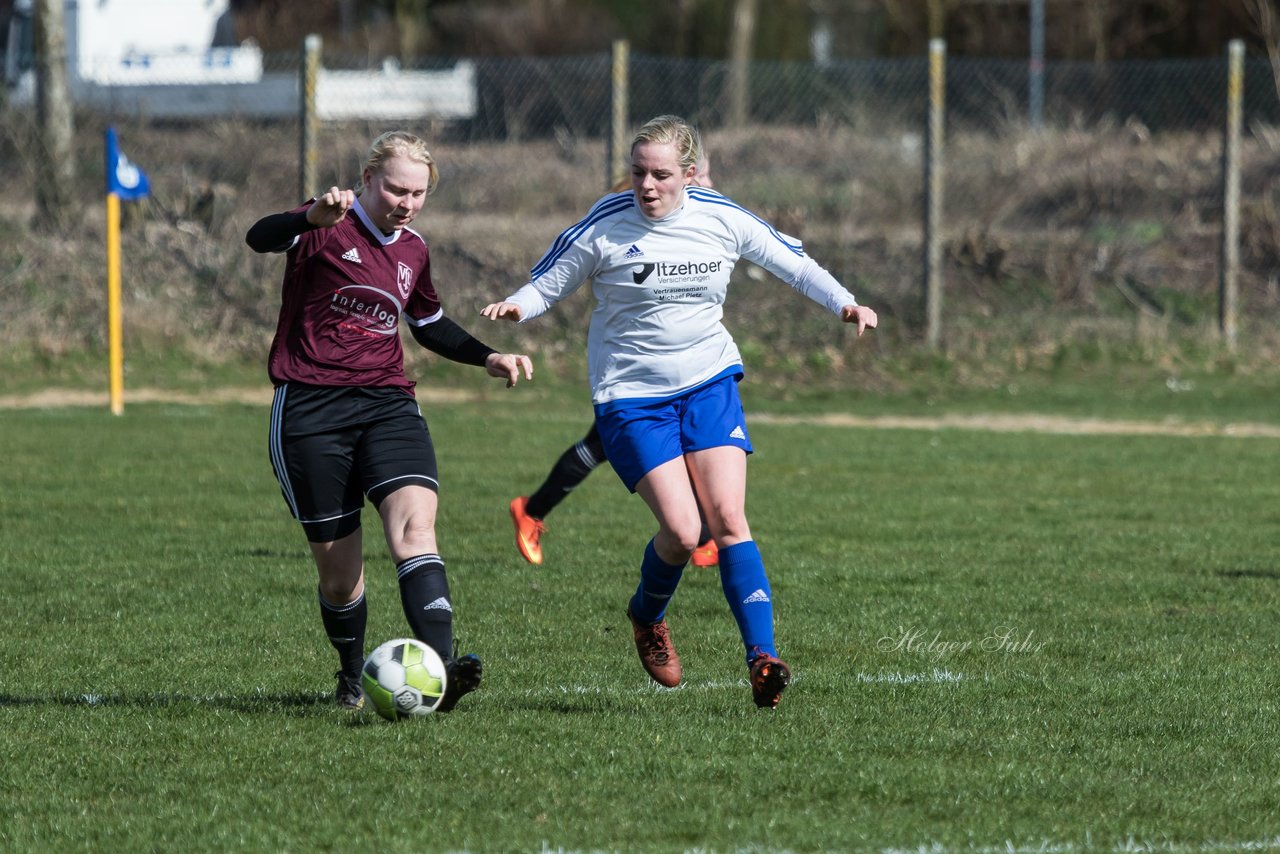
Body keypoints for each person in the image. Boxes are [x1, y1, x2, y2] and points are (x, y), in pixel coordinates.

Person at [483, 116, 877, 709]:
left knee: (726, 517)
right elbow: (551, 279)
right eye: (638, 172)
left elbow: (791, 261)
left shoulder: (720, 217)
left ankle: (762, 659)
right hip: (630, 397)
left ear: (689, 174)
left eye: (661, 174)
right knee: (682, 530)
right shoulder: (608, 223)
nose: (646, 185)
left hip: (708, 381)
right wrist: (518, 306)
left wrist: (844, 303)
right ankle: (647, 616)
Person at [245, 130, 533, 712]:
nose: (405, 202)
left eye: (418, 193)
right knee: (339, 577)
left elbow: (427, 323)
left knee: (415, 531)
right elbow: (258, 238)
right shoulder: (324, 226)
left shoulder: (413, 250)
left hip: (387, 404)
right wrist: (308, 216)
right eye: (397, 189)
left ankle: (444, 670)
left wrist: (488, 356)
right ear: (368, 178)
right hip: (310, 409)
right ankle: (352, 678)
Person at [508, 153, 718, 569]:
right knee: (616, 445)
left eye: (708, 173)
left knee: (620, 444)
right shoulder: (632, 205)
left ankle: (532, 510)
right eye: (705, 174)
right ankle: (704, 538)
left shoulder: (701, 212)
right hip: (630, 367)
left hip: (673, 367)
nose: (709, 183)